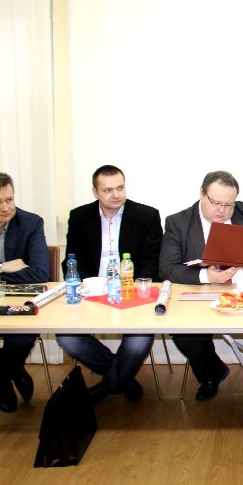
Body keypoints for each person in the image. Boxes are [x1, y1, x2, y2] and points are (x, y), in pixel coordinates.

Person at [159, 170, 243, 401]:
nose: (221, 210)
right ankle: (212, 373)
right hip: (203, 292)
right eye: (215, 203)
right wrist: (207, 276)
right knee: (183, 332)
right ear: (202, 194)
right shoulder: (179, 222)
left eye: (228, 205)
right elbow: (167, 268)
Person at [56, 165, 162, 405]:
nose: (116, 195)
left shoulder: (146, 215)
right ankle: (123, 378)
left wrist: (132, 289)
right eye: (107, 190)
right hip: (93, 292)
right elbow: (74, 260)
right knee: (67, 338)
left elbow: (151, 263)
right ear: (95, 192)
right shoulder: (80, 216)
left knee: (139, 341)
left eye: (120, 188)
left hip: (132, 293)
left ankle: (108, 387)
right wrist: (90, 286)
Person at [0, 172, 49, 413]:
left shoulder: (31, 223)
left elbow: (40, 273)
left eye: (9, 200)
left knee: (22, 337)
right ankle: (11, 373)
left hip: (17, 300)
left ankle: (1, 379)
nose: (6, 208)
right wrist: (2, 268)